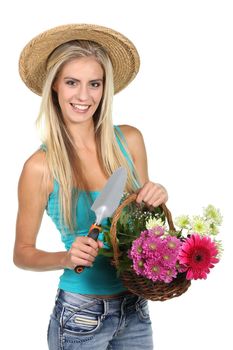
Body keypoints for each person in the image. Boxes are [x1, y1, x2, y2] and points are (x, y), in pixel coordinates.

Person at [14, 24, 168, 350]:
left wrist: (155, 198)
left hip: (135, 305)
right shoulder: (40, 167)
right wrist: (65, 257)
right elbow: (22, 254)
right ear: (55, 85)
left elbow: (142, 228)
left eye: (94, 84)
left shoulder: (130, 141)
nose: (84, 96)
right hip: (81, 315)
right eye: (72, 82)